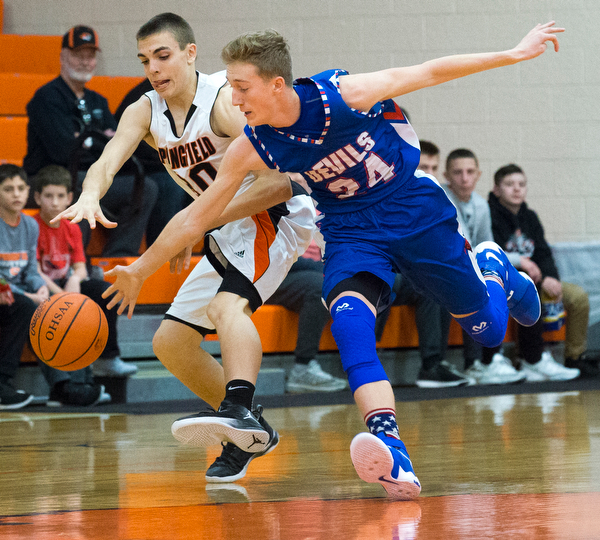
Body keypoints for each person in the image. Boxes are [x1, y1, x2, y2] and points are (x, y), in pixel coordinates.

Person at [84, 22, 561, 500]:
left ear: (276, 85)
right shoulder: (254, 142)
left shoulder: (343, 94)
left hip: (412, 211)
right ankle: (391, 447)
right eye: (229, 85)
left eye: (242, 86)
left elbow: (429, 69)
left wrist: (513, 53)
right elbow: (195, 216)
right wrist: (141, 268)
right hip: (349, 229)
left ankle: (495, 268)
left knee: (490, 330)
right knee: (350, 320)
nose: (232, 96)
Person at [54, 13, 316, 482]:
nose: (154, 68)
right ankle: (249, 427)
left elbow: (281, 183)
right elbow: (106, 162)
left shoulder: (222, 104)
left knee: (225, 309)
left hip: (272, 217)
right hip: (220, 226)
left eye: (163, 55)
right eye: (144, 60)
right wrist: (90, 194)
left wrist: (197, 225)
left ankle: (237, 411)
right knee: (170, 343)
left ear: (190, 53)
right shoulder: (144, 110)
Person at [23, 24, 159, 257]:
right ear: (63, 57)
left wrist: (85, 140)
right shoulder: (46, 98)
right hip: (51, 176)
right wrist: (99, 141)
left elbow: (119, 145)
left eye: (90, 56)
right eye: (78, 55)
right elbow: (63, 151)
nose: (85, 62)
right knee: (82, 184)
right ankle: (77, 263)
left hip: (89, 173)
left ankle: (117, 257)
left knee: (144, 186)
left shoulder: (98, 100)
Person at [0, 164, 109, 408]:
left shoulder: (28, 225)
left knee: (80, 305)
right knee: (34, 309)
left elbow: (30, 269)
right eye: (8, 189)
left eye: (20, 188)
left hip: (24, 291)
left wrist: (38, 287)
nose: (16, 194)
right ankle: (58, 386)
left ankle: (80, 381)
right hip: (11, 293)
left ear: (28, 191)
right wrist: (32, 294)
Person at [375, 141, 470, 388]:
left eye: (433, 167)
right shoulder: (382, 189)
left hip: (406, 268)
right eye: (423, 166)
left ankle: (432, 365)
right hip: (377, 267)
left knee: (437, 283)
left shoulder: (432, 196)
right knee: (387, 280)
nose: (428, 172)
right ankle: (365, 360)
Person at [487, 164, 593, 380]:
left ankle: (574, 357)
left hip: (538, 278)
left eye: (521, 184)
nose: (517, 189)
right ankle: (532, 359)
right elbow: (491, 253)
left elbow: (543, 253)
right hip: (506, 281)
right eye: (509, 185)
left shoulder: (531, 217)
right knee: (530, 289)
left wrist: (551, 278)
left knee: (578, 297)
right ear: (497, 189)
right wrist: (539, 278)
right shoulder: (489, 214)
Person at [33, 165, 137, 378]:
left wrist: (74, 280)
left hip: (66, 284)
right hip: (43, 286)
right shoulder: (32, 225)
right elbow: (35, 272)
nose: (54, 202)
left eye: (60, 196)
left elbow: (80, 268)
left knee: (106, 292)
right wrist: (61, 295)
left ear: (69, 198)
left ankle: (107, 359)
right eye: (48, 196)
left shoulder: (72, 227)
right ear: (37, 197)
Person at [441, 148, 526, 385]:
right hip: (444, 268)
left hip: (468, 266)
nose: (464, 178)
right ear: (446, 175)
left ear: (478, 174)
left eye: (470, 172)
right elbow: (457, 244)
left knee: (496, 281)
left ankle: (492, 359)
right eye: (458, 172)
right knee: (472, 287)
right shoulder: (439, 199)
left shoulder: (481, 204)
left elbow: (486, 245)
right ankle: (475, 363)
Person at [114, 78, 192, 247]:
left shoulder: (189, 91)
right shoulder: (142, 98)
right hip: (143, 167)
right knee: (172, 184)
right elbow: (130, 144)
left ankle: (217, 247)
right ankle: (162, 249)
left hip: (175, 162)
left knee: (210, 178)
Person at [265, 237, 347, 393]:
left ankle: (362, 364)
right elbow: (277, 256)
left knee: (364, 280)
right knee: (321, 287)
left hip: (309, 269)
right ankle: (302, 368)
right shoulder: (279, 213)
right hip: (269, 273)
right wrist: (326, 268)